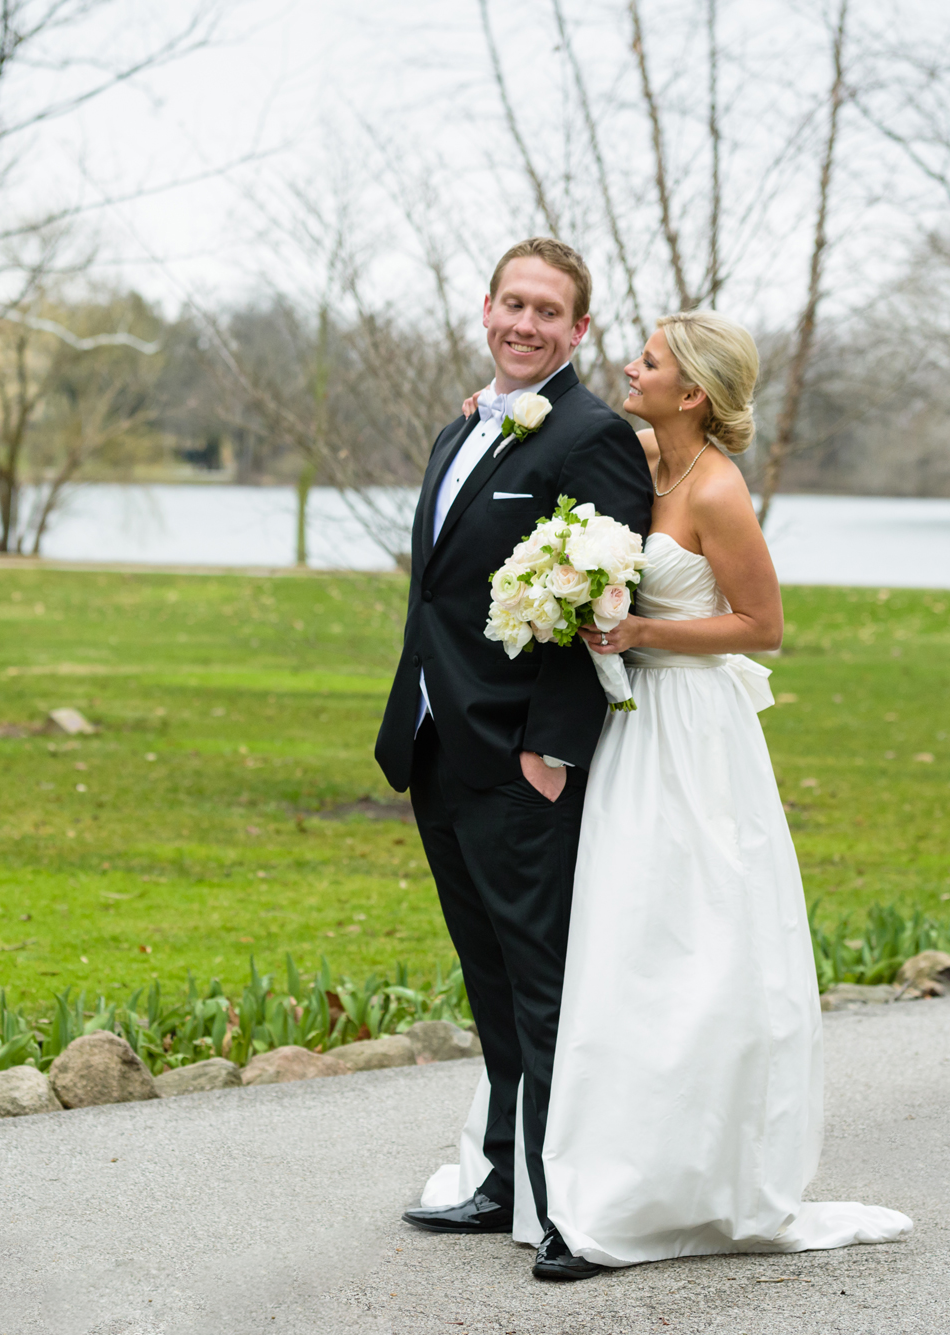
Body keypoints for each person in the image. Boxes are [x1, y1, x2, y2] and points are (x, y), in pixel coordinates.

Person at [540, 311, 910, 1274]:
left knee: (694, 944)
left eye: (650, 360)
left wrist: (642, 634)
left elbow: (763, 623)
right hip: (634, 735)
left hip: (696, 736)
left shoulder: (716, 488)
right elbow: (558, 424)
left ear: (692, 391)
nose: (631, 365)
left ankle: (686, 1182)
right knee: (624, 937)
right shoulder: (639, 461)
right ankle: (609, 1170)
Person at [373, 238, 653, 1280]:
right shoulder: (465, 427)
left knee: (544, 986)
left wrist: (550, 746)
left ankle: (571, 1207)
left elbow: (600, 604)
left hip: (522, 760)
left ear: (577, 330)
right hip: (437, 745)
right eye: (513, 304)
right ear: (484, 306)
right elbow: (441, 593)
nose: (526, 325)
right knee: (488, 982)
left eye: (549, 312)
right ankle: (501, 1179)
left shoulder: (592, 438)